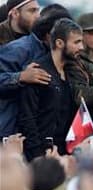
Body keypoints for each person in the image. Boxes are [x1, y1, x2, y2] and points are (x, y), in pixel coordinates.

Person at [0, 7, 71, 139]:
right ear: (50, 35)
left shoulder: (58, 54)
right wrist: (20, 77)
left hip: (38, 135)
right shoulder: (19, 50)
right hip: (8, 132)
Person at [17, 18, 82, 160]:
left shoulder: (71, 73)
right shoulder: (37, 72)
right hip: (41, 155)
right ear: (59, 43)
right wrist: (38, 155)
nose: (81, 47)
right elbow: (27, 118)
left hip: (63, 152)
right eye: (76, 42)